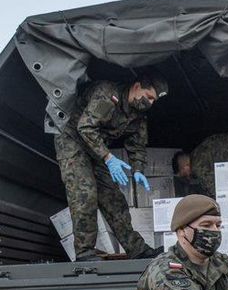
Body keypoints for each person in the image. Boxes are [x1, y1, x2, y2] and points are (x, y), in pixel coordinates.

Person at [54, 72, 168, 261]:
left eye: (154, 100)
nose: (150, 103)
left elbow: (137, 145)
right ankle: (84, 253)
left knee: (114, 199)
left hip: (97, 149)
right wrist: (108, 158)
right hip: (72, 141)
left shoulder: (138, 114)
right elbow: (85, 127)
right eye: (149, 97)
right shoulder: (108, 93)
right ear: (137, 86)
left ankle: (138, 250)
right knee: (85, 194)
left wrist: (138, 169)